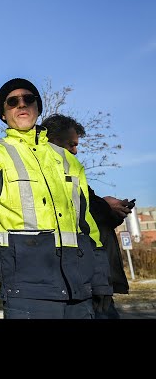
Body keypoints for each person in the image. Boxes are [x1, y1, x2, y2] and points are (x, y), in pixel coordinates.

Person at [0, 77, 112, 319]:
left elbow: (87, 224)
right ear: (3, 115)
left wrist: (100, 281)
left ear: (38, 107)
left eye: (28, 99)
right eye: (12, 102)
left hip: (79, 286)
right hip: (26, 287)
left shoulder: (68, 159)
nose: (21, 105)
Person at [41, 113, 132, 319]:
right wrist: (107, 207)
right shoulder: (52, 178)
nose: (75, 150)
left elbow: (92, 212)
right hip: (83, 279)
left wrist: (108, 206)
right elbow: (90, 214)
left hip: (94, 277)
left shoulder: (74, 174)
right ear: (53, 142)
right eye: (70, 145)